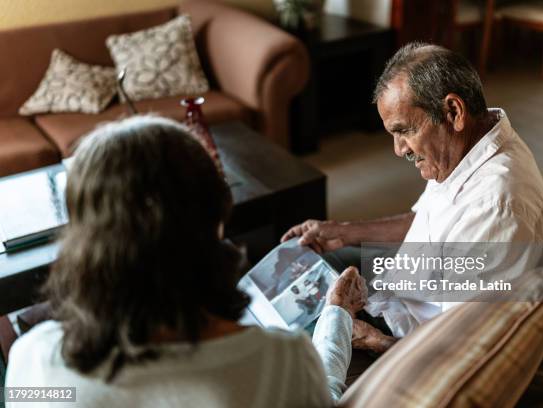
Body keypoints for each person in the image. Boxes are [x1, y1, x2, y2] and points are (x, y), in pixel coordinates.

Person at [5, 116, 366, 407]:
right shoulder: (279, 360)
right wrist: (336, 316)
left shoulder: (35, 359)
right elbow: (325, 399)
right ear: (217, 222)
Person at [282, 42, 543, 352]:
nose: (398, 149)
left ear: (453, 111)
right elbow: (429, 218)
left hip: (410, 339)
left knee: (289, 343)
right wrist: (343, 232)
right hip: (401, 291)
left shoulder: (496, 209)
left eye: (403, 131)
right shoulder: (469, 148)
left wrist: (372, 341)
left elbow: (464, 355)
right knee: (305, 264)